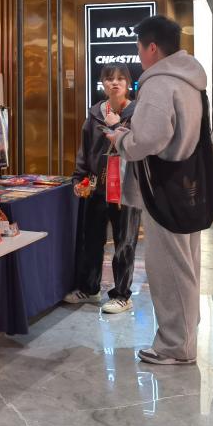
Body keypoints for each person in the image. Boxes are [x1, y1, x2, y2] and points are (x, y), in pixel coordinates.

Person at [107, 16, 206, 366]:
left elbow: (149, 139)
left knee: (168, 267)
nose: (138, 56)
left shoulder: (160, 83)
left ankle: (175, 346)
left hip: (163, 184)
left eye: (138, 49)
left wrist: (121, 139)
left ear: (151, 47)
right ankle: (185, 336)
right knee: (186, 263)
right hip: (188, 182)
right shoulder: (190, 78)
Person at [63, 64, 142, 315]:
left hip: (126, 190)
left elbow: (139, 147)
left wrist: (117, 127)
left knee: (124, 242)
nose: (114, 83)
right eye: (109, 79)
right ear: (102, 83)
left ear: (128, 83)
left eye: (120, 79)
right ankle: (90, 288)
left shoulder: (137, 113)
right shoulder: (95, 113)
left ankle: (122, 295)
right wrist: (79, 178)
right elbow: (85, 149)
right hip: (97, 187)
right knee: (92, 239)